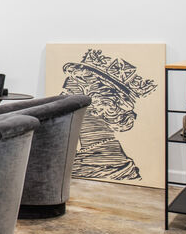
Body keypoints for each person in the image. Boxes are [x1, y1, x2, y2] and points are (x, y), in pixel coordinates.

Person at [61, 49, 157, 181]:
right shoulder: (91, 158)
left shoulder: (106, 166)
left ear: (100, 105)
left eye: (68, 93)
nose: (60, 98)